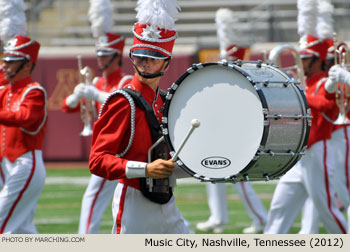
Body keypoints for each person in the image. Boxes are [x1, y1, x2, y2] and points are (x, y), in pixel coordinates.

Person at [89, 0, 189, 234]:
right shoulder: (123, 101)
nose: (145, 62)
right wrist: (145, 169)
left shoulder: (165, 101)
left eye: (153, 57)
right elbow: (97, 160)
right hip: (133, 200)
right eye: (141, 56)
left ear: (167, 61)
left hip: (167, 199)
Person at [196, 8, 267, 234]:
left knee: (240, 181)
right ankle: (218, 217)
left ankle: (261, 219)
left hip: (238, 137)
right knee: (209, 172)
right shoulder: (224, 79)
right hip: (220, 135)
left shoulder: (245, 80)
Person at [0, 34, 47, 234]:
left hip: (26, 163)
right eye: (4, 61)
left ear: (27, 66)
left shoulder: (34, 92)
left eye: (11, 62)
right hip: (7, 165)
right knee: (23, 230)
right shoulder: (5, 91)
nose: (4, 66)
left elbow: (24, 117)